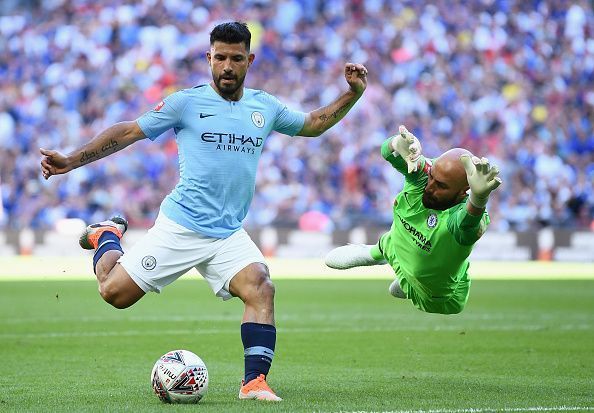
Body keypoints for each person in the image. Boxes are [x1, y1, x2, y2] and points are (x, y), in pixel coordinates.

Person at [40, 21, 368, 401]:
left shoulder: (265, 106)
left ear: (250, 60)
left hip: (227, 233)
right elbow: (128, 132)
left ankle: (254, 382)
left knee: (261, 286)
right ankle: (106, 235)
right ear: (208, 58)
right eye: (220, 58)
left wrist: (352, 94)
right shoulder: (186, 103)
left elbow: (312, 124)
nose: (227, 66)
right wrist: (71, 160)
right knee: (114, 293)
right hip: (181, 226)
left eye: (236, 59)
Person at [325, 125, 502, 315]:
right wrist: (396, 143)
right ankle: (377, 253)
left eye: (441, 185)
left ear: (462, 193)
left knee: (435, 281)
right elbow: (387, 152)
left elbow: (468, 223)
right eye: (432, 176)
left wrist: (479, 198)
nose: (430, 186)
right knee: (395, 240)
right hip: (396, 245)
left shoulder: (460, 218)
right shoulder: (423, 173)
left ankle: (407, 280)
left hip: (438, 295)